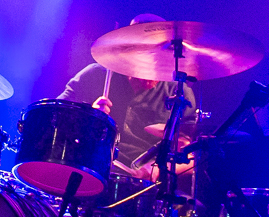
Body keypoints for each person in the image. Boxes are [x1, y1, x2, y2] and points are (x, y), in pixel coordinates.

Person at [57, 13, 197, 182]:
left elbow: (191, 156)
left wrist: (157, 171)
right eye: (144, 59)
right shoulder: (95, 76)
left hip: (147, 188)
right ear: (128, 51)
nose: (152, 68)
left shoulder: (179, 93)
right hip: (92, 174)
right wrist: (88, 117)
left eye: (159, 62)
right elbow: (55, 120)